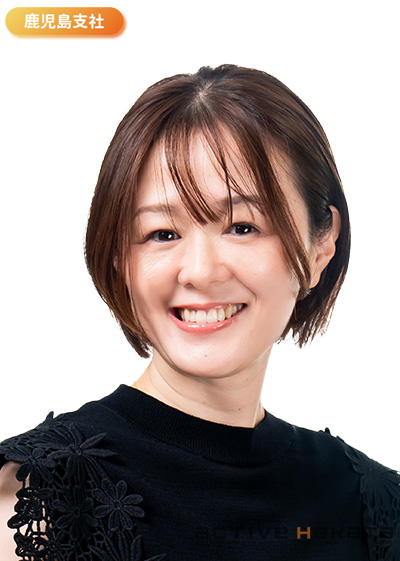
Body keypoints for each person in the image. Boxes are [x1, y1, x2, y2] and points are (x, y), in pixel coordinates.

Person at [0, 64, 398, 561]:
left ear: (321, 245)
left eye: (243, 227)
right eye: (162, 234)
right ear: (120, 258)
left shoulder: (375, 509)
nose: (201, 272)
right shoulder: (32, 500)